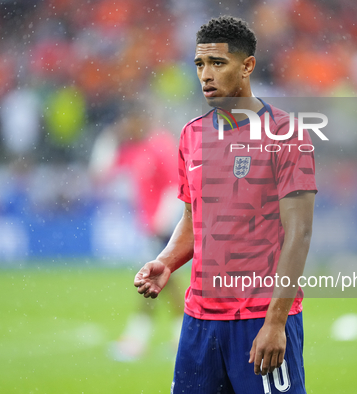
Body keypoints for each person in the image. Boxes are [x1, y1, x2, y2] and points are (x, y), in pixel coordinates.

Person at [134, 16, 317, 393]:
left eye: (218, 63)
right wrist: (166, 261)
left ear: (247, 65)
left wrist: (276, 322)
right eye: (200, 64)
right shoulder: (192, 135)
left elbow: (299, 233)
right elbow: (192, 218)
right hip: (199, 322)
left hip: (258, 317)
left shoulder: (285, 134)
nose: (206, 75)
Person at [90, 101, 184, 361]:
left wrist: (161, 223)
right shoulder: (133, 148)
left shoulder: (159, 145)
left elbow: (175, 186)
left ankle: (137, 340)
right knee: (163, 282)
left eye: (129, 122)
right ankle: (179, 338)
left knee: (153, 281)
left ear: (139, 120)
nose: (127, 127)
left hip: (163, 227)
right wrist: (108, 137)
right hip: (149, 226)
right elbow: (101, 172)